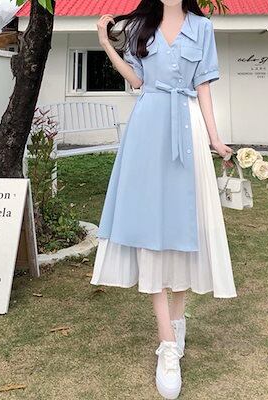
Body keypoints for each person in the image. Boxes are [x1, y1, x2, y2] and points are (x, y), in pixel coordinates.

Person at [91, 0, 237, 398]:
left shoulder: (202, 28)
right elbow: (137, 81)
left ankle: (177, 320)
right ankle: (167, 344)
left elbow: (203, 86)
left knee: (185, 227)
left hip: (187, 129)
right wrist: (105, 44)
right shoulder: (139, 25)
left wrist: (215, 138)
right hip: (147, 130)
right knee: (148, 229)